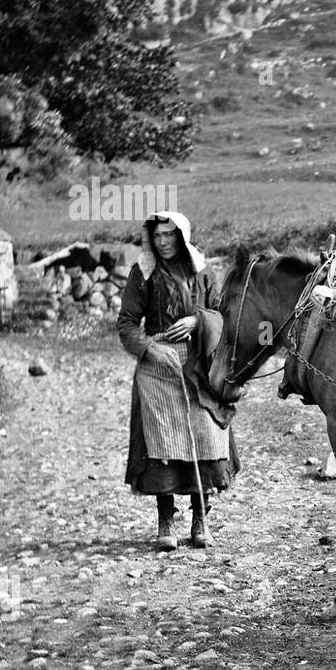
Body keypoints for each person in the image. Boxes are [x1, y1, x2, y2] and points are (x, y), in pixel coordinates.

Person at [118, 211, 239, 551]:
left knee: (205, 436)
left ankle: (201, 518)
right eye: (157, 236)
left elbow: (224, 315)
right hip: (158, 367)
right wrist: (149, 349)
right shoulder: (143, 273)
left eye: (169, 236)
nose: (163, 242)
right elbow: (127, 323)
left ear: (182, 237)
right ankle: (166, 520)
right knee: (163, 442)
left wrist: (197, 321)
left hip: (200, 363)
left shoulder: (201, 273)